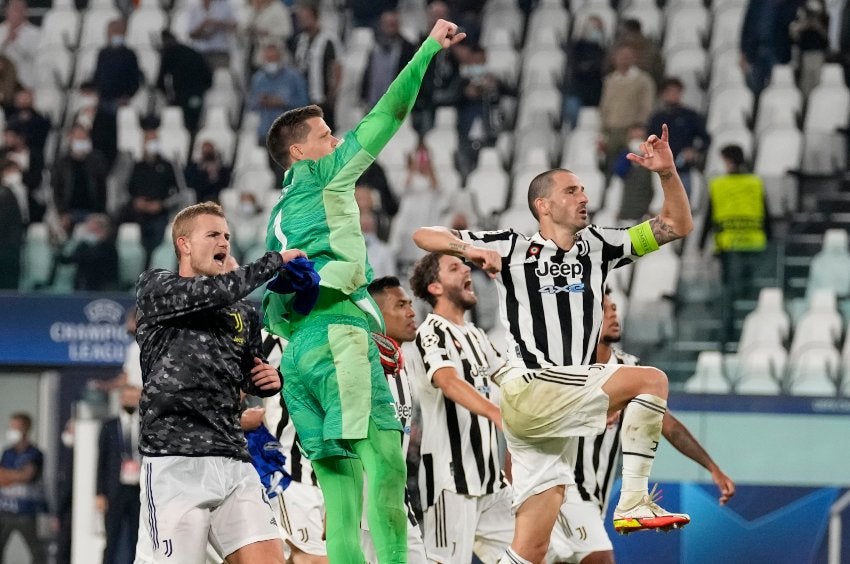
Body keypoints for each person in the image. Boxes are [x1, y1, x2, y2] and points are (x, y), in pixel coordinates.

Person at [412, 123, 694, 564]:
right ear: (543, 205)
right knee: (651, 380)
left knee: (532, 549)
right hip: (532, 387)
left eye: (583, 189)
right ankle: (635, 499)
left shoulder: (600, 246)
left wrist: (667, 174)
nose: (584, 197)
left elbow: (677, 224)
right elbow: (422, 237)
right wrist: (468, 250)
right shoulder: (512, 248)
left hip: (548, 418)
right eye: (571, 191)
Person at [263, 19, 466, 564]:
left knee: (342, 496)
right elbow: (388, 116)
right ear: (303, 153)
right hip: (340, 342)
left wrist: (318, 330)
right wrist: (426, 51)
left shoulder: (276, 219)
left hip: (300, 359)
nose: (336, 139)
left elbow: (275, 309)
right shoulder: (327, 176)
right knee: (385, 470)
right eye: (325, 134)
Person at [135, 201, 304, 562]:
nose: (223, 242)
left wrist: (268, 379)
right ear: (183, 244)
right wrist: (275, 260)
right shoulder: (157, 288)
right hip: (175, 461)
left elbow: (247, 372)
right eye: (212, 234)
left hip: (232, 457)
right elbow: (214, 292)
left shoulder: (243, 313)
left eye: (226, 235)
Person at [548, 289, 736, 564]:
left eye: (615, 308)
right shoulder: (565, 365)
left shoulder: (630, 369)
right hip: (563, 489)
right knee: (600, 558)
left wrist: (713, 468)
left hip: (595, 498)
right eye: (605, 309)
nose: (614, 314)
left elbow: (668, 425)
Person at [408, 253, 514, 563]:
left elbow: (514, 383)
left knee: (527, 554)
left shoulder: (477, 336)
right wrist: (496, 413)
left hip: (490, 481)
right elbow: (447, 380)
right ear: (435, 287)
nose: (467, 269)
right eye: (454, 268)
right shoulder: (430, 333)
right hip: (449, 482)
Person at [361, 276, 429, 563]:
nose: (412, 312)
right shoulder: (362, 363)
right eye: (401, 305)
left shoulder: (401, 366)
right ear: (375, 315)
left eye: (411, 304)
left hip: (397, 501)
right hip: (363, 507)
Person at [702, 144, 770, 345]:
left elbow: (709, 216)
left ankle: (728, 335)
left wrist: (700, 243)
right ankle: (756, 334)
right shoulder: (755, 182)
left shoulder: (719, 184)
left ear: (728, 160)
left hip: (729, 245)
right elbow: (766, 213)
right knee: (754, 293)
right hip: (755, 243)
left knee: (729, 293)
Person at [96, 385, 143, 564]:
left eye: (134, 397)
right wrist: (99, 492)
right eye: (127, 397)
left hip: (138, 490)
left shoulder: (145, 425)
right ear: (121, 399)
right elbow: (101, 461)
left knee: (137, 538)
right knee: (112, 537)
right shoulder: (109, 426)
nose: (130, 400)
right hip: (115, 490)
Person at [646, 77, 710, 198]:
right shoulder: (657, 118)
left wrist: (694, 151)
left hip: (683, 169)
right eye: (669, 91)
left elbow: (706, 139)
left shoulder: (690, 116)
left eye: (676, 92)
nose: (673, 95)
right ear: (663, 94)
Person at [0, 412, 46, 563]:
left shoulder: (35, 453)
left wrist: (10, 475)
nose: (12, 430)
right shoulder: (7, 453)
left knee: (37, 552)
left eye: (16, 427)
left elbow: (27, 475)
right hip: (5, 510)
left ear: (25, 429)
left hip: (26, 512)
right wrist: (15, 475)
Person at [291, 4, 343, 131]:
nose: (302, 21)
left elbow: (336, 67)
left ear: (315, 17)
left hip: (322, 97)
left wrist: (333, 93)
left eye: (306, 18)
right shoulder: (299, 40)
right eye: (300, 18)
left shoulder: (328, 39)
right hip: (302, 98)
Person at [248, 41, 310, 146]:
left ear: (281, 56)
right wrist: (259, 101)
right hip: (265, 133)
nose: (271, 61)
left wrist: (283, 102)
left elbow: (304, 103)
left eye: (274, 58)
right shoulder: (258, 78)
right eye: (269, 58)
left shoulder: (294, 77)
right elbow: (250, 106)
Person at [156, 30, 213, 133]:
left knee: (183, 125)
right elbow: (208, 76)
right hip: (197, 92)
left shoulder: (169, 53)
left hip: (182, 93)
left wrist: (168, 96)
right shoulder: (192, 52)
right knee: (194, 124)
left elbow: (160, 81)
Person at [360, 10, 417, 109]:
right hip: (373, 102)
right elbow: (368, 72)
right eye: (387, 24)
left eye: (393, 24)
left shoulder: (408, 48)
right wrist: (363, 96)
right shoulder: (374, 45)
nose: (390, 28)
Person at [187, 0, 237, 69]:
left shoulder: (224, 4)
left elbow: (234, 26)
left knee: (222, 77)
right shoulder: (193, 7)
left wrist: (217, 24)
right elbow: (191, 34)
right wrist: (202, 26)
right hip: (200, 52)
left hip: (220, 52)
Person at [0, 0, 39, 88]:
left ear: (25, 12)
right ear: (7, 11)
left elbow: (36, 59)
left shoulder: (35, 33)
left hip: (24, 84)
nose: (14, 13)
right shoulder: (1, 30)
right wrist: (6, 41)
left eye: (18, 9)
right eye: (12, 9)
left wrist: (16, 44)